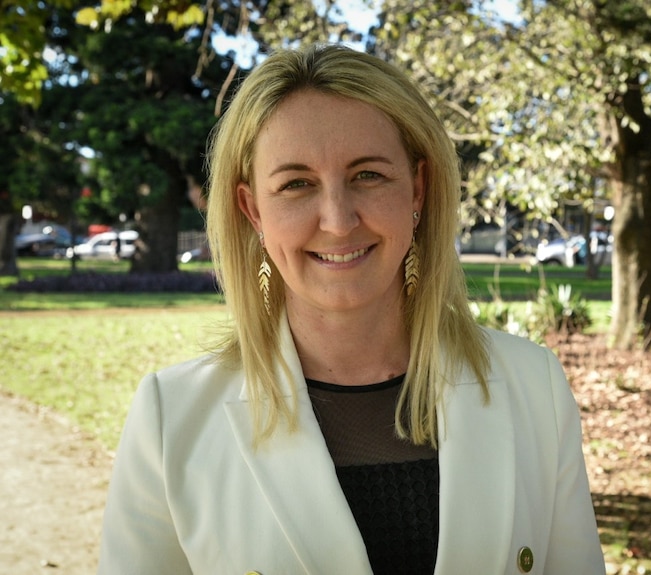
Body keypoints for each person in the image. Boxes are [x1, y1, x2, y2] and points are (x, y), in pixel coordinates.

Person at [97, 43, 605, 575]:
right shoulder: (171, 419)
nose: (338, 220)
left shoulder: (533, 387)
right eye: (296, 184)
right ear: (253, 212)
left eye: (368, 175)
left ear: (418, 189)